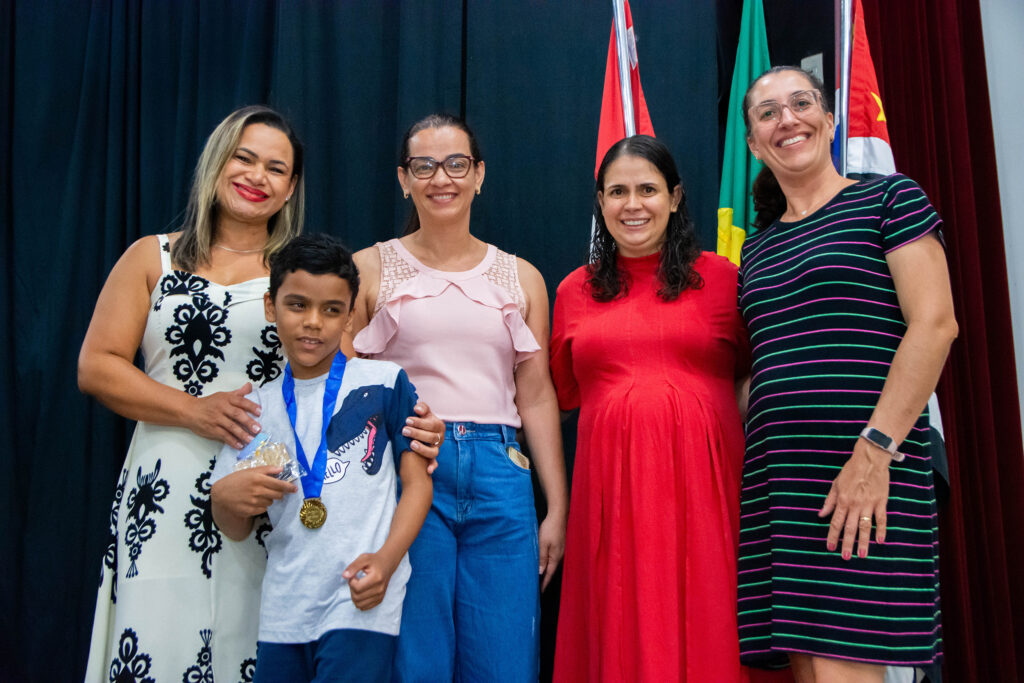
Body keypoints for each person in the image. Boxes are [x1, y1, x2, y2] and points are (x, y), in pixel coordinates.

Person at [80, 106, 445, 682]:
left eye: (276, 168)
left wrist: (413, 423)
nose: (257, 176)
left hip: (277, 489)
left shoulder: (299, 272)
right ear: (216, 162)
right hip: (167, 480)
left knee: (248, 645)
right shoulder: (152, 256)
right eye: (244, 159)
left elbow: (347, 377)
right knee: (158, 639)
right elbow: (97, 366)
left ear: (292, 186)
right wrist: (193, 411)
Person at [735, 66, 957, 682]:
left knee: (842, 668)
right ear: (753, 143)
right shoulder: (757, 249)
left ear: (829, 119)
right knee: (809, 669)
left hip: (863, 470)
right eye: (768, 113)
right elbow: (770, 363)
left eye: (801, 103)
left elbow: (935, 325)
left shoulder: (889, 199)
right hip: (783, 483)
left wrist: (874, 452)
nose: (788, 119)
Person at [346, 113, 568, 682]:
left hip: (502, 473)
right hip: (409, 469)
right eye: (424, 165)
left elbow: (536, 395)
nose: (441, 178)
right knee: (416, 657)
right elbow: (342, 390)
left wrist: (557, 508)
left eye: (455, 164)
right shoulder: (367, 269)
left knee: (505, 660)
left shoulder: (522, 277)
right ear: (403, 178)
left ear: (479, 174)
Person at [549, 135, 753, 682]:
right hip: (611, 501)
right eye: (617, 192)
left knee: (711, 625)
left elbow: (754, 378)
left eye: (648, 189)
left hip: (708, 497)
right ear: (600, 202)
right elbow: (559, 396)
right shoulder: (572, 291)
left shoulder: (725, 280)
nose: (632, 204)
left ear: (675, 197)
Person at [211, 233, 433, 683]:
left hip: (360, 599)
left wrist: (387, 560)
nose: (313, 322)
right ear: (271, 306)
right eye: (297, 305)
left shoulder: (385, 382)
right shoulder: (252, 408)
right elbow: (235, 527)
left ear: (350, 316)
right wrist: (224, 499)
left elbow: (418, 484)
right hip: (284, 608)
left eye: (332, 310)